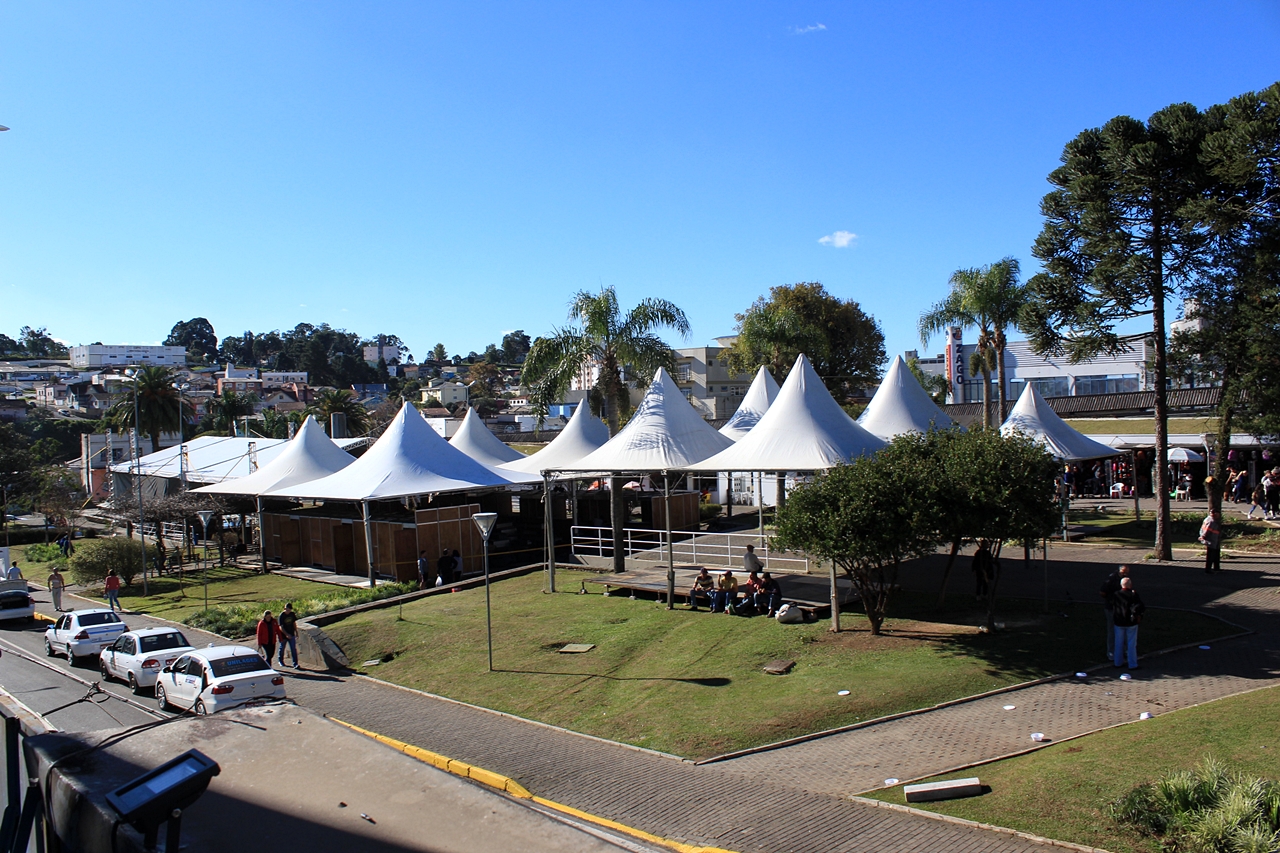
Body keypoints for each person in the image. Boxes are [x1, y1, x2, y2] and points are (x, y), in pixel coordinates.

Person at [1112, 577, 1145, 670]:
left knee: (1118, 642)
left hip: (1119, 621)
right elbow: (1140, 606)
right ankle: (1132, 664)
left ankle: (1117, 662)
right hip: (1131, 622)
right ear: (1130, 585)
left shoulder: (1116, 594)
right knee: (1131, 643)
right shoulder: (1133, 595)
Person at [1099, 564, 1130, 660]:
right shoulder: (1111, 579)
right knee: (1112, 630)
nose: (1125, 574)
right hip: (1111, 608)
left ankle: (1124, 650)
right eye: (1123, 572)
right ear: (1119, 571)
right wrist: (1110, 599)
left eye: (1126, 572)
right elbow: (1102, 592)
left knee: (1124, 629)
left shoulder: (1125, 579)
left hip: (1122, 608)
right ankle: (1111, 651)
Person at [277, 602, 300, 667]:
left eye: (289, 610)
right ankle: (280, 661)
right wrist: (286, 634)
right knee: (282, 648)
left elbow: (294, 623)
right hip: (284, 635)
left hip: (291, 633)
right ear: (284, 608)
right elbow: (281, 627)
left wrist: (296, 631)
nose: (288, 611)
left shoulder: (292, 614)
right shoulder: (281, 616)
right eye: (287, 609)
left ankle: (295, 663)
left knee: (293, 649)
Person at [1199, 509, 1222, 574]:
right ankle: (1208, 569)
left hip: (1212, 539)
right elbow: (1207, 530)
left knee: (1214, 554)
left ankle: (1215, 568)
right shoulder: (1211, 521)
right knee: (1211, 555)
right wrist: (1203, 536)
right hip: (1211, 539)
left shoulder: (1208, 519)